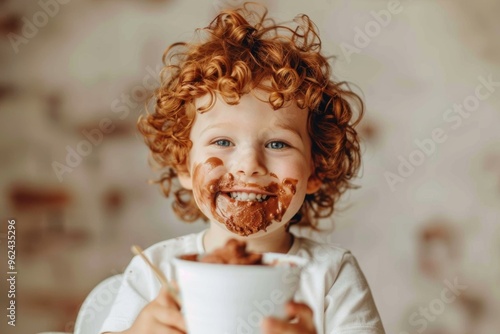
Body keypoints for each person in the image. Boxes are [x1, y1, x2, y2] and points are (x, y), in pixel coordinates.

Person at [100, 3, 385, 334]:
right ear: (182, 164)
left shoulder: (330, 275)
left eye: (278, 144)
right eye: (222, 142)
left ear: (316, 169)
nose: (249, 165)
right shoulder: (156, 270)